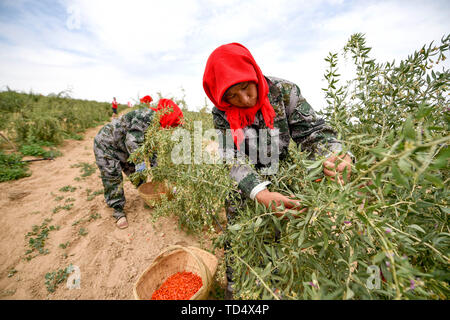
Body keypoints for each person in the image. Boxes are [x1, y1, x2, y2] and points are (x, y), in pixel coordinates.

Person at [202, 42, 353, 298]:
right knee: (239, 239)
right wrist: (258, 192)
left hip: (280, 176)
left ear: (253, 74)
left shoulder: (284, 92)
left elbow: (315, 133)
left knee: (278, 235)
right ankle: (237, 288)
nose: (245, 99)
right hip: (244, 184)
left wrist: (334, 154)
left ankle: (276, 286)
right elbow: (230, 155)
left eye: (245, 87)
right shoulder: (221, 112)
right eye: (232, 96)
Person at [93, 99, 183, 229]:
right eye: (173, 124)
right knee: (112, 177)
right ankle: (117, 209)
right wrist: (141, 166)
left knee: (137, 176)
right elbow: (132, 143)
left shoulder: (158, 125)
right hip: (107, 144)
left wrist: (157, 171)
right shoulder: (146, 117)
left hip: (123, 147)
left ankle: (148, 195)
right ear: (168, 117)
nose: (171, 129)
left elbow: (152, 149)